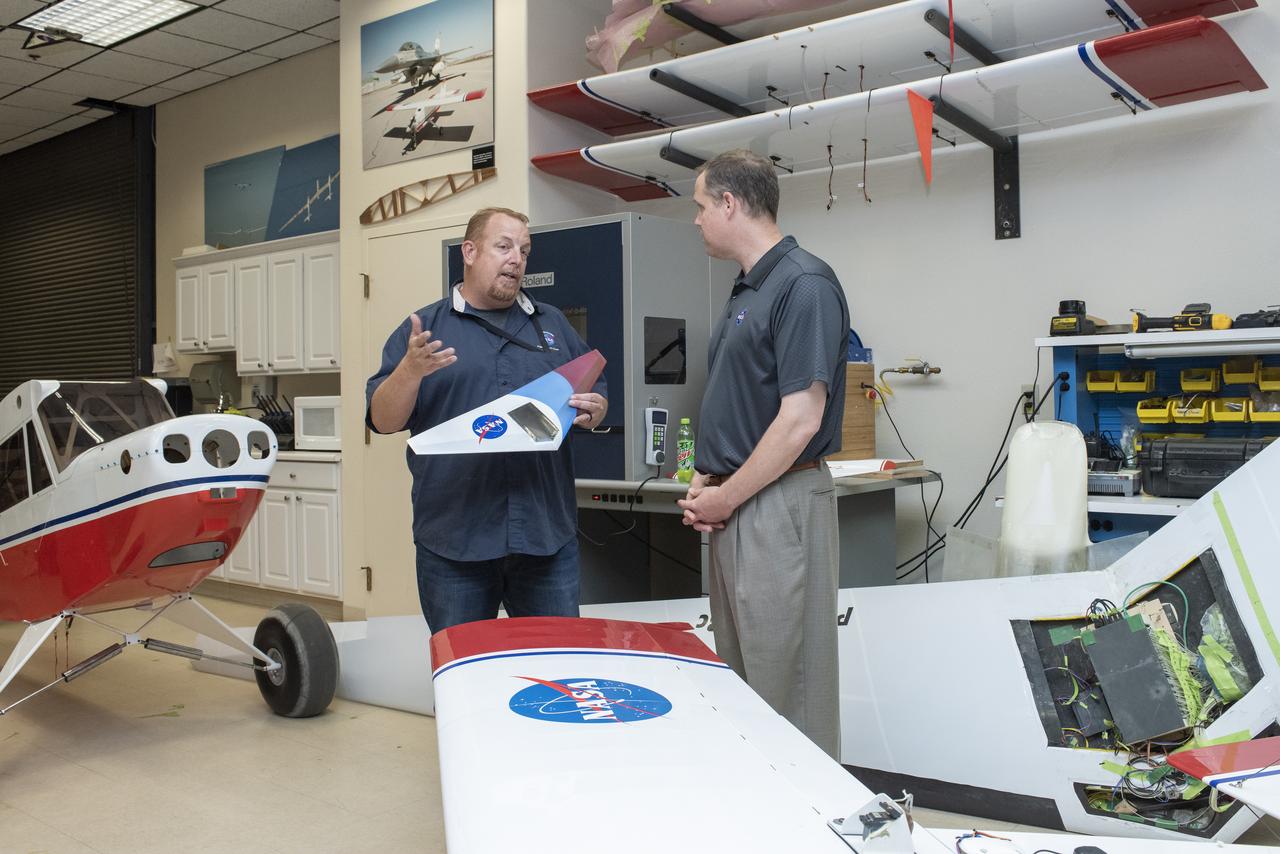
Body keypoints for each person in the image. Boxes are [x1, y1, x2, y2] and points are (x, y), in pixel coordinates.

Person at [677, 150, 850, 759]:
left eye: (701, 206)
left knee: (788, 685)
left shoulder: (803, 284)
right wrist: (706, 479)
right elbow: (742, 399)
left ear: (729, 203)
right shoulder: (750, 286)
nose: (695, 220)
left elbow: (799, 419)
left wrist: (726, 494)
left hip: (778, 504)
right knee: (745, 682)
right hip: (738, 501)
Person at [365, 207, 607, 634]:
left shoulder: (550, 324)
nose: (517, 258)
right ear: (470, 252)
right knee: (463, 676)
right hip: (455, 543)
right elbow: (382, 422)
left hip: (545, 539)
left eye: (525, 250)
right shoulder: (425, 330)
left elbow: (592, 388)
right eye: (504, 246)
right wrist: (410, 371)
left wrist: (595, 409)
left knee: (558, 667)